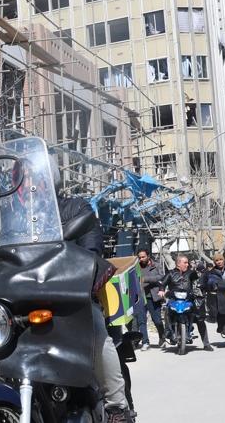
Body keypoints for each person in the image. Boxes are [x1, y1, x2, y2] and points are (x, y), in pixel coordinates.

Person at [51, 161, 133, 423]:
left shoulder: (76, 207)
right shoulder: (17, 216)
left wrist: (84, 268)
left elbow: (91, 244)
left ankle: (116, 407)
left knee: (97, 335)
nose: (28, 183)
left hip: (72, 295)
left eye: (34, 176)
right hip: (28, 298)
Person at [160, 254, 212, 351]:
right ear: (178, 263)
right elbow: (162, 283)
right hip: (174, 300)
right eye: (185, 263)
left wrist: (201, 282)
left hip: (188, 299)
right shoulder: (170, 273)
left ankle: (206, 344)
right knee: (167, 312)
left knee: (200, 319)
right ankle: (168, 332)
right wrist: (161, 290)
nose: (187, 264)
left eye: (187, 263)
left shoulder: (190, 273)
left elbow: (198, 280)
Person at [136, 249, 168, 350]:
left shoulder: (156, 265)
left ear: (148, 256)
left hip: (153, 296)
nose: (141, 259)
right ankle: (145, 342)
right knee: (141, 321)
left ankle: (162, 337)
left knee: (157, 320)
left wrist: (145, 279)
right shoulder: (136, 267)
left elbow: (161, 277)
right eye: (139, 257)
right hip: (140, 297)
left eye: (143, 257)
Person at [205, 254, 225, 336]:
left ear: (224, 260)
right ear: (214, 262)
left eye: (221, 259)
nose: (219, 262)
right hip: (220, 294)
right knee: (221, 311)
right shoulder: (212, 272)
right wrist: (212, 286)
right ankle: (222, 327)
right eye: (217, 260)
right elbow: (209, 281)